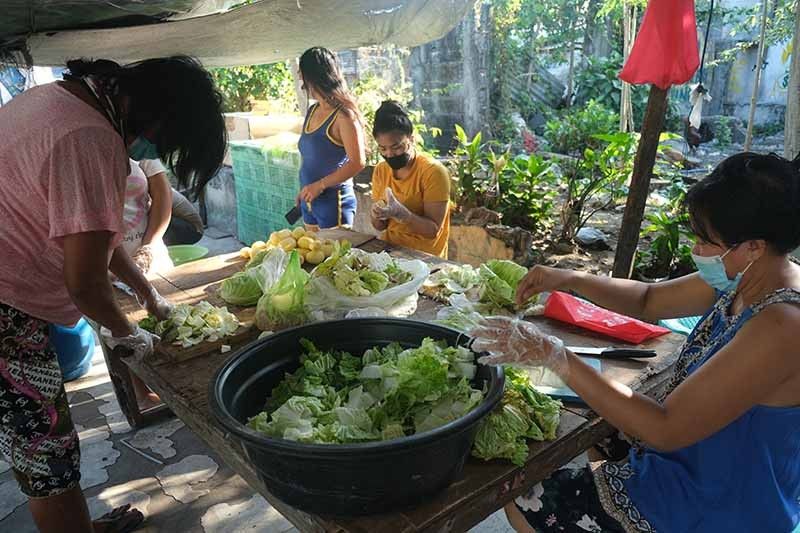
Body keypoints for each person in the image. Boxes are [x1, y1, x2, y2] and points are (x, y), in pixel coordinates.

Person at [470, 152, 800, 533]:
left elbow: (664, 427)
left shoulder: (782, 325)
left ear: (754, 247)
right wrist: (568, 278)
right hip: (701, 455)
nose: (696, 250)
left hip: (726, 500)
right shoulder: (747, 278)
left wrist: (555, 356)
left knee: (526, 496)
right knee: (604, 428)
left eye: (705, 241)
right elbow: (648, 299)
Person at [0, 56, 226, 533]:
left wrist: (147, 295)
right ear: (159, 117)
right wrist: (128, 335)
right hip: (5, 310)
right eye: (168, 142)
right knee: (46, 451)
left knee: (48, 444)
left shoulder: (61, 100)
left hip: (10, 294)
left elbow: (93, 236)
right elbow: (84, 282)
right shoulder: (88, 138)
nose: (155, 149)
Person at [370, 101, 451, 258]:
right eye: (382, 148)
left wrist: (404, 215)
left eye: (397, 147)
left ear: (411, 139)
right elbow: (379, 227)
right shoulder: (381, 170)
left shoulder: (433, 172)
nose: (390, 154)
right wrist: (377, 215)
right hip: (389, 249)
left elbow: (433, 231)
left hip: (424, 257)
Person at [296, 47, 366, 230]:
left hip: (334, 204)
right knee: (311, 256)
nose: (300, 80)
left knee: (334, 258)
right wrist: (305, 188)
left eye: (302, 74)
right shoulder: (312, 111)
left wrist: (320, 185)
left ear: (313, 76)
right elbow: (310, 158)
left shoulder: (344, 116)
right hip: (310, 201)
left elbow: (357, 162)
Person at [122, 159, 174, 274]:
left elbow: (163, 194)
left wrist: (148, 248)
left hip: (152, 263)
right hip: (102, 271)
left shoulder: (135, 145)